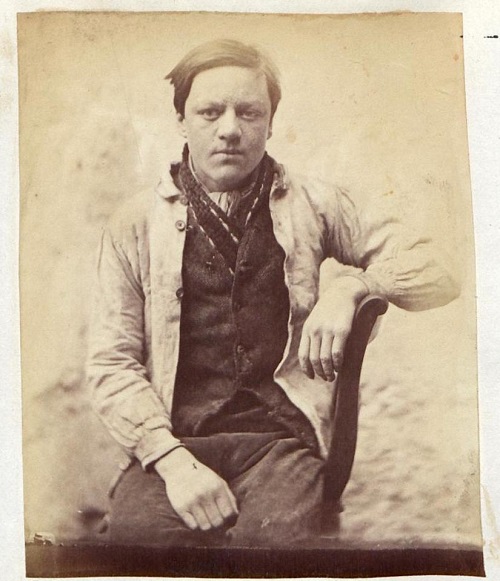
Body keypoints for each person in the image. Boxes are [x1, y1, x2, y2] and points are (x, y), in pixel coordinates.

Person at [87, 39, 459, 548]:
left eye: (249, 112)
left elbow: (440, 269)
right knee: (137, 549)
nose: (230, 129)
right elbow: (111, 363)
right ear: (181, 121)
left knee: (276, 553)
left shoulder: (314, 204)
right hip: (173, 442)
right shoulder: (134, 224)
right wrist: (171, 461)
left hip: (280, 444)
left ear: (270, 122)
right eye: (210, 112)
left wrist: (355, 286)